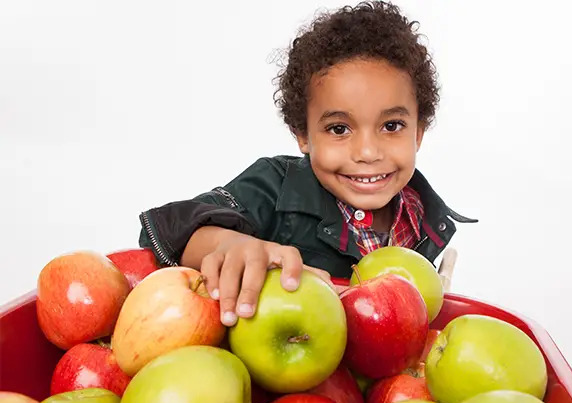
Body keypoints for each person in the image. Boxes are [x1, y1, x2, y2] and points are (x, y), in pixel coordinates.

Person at [137, 1, 477, 327]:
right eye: (339, 129)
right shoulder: (275, 187)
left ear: (418, 132)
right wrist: (229, 245)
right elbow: (171, 229)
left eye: (391, 126)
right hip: (277, 377)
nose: (369, 152)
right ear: (303, 134)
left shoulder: (424, 220)